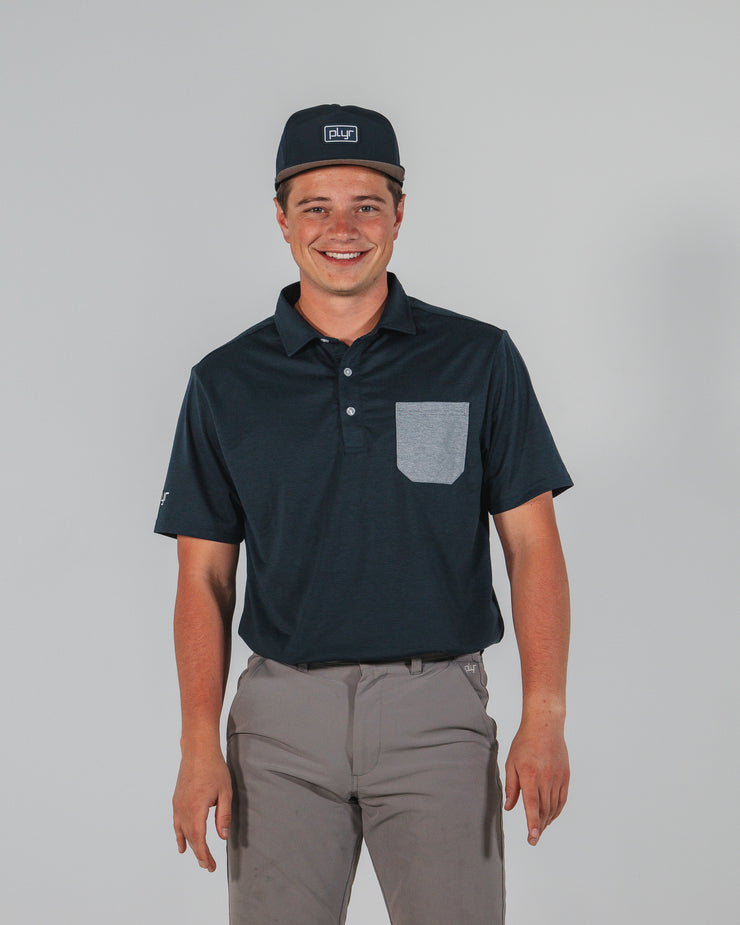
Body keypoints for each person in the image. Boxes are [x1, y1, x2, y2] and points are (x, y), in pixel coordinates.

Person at [154, 103, 574, 925]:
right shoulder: (225, 382)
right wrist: (197, 742)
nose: (341, 229)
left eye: (366, 205)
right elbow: (203, 577)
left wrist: (546, 715)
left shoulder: (477, 358)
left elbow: (531, 544)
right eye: (316, 206)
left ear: (399, 215)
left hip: (437, 714)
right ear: (282, 219)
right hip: (279, 726)